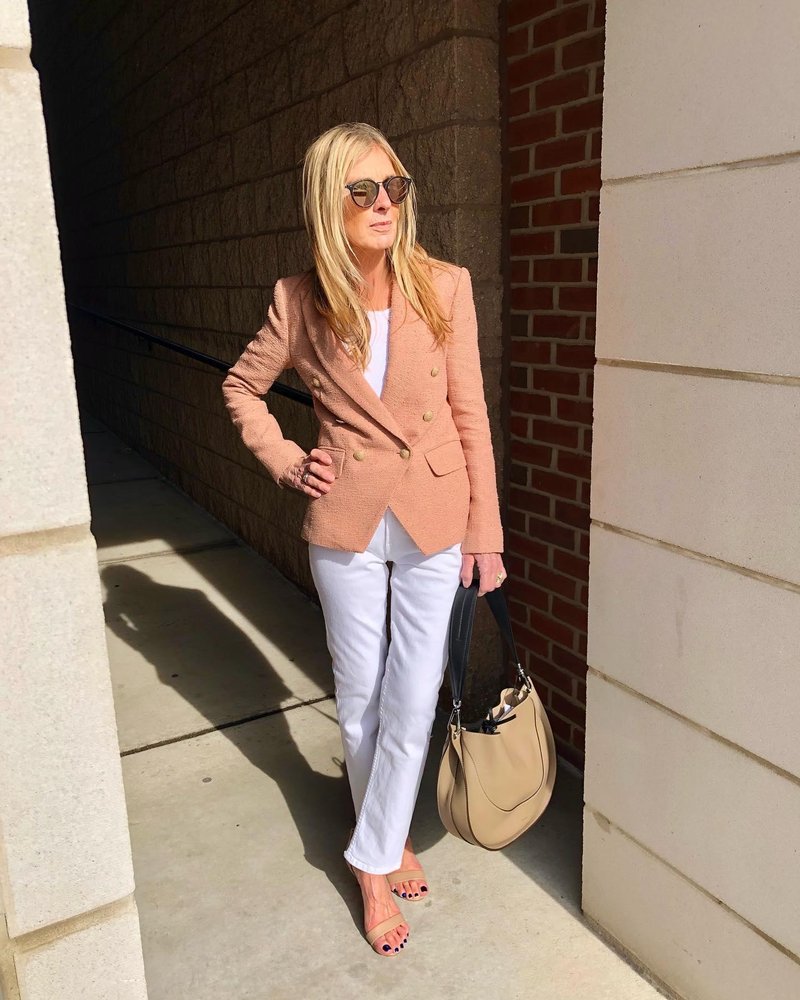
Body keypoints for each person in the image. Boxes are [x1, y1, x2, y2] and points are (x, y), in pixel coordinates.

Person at [221, 122, 506, 956]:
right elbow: (241, 387)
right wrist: (285, 459)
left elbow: (470, 414)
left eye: (395, 187)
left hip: (434, 514)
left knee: (413, 696)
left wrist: (486, 530)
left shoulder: (444, 286)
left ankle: (370, 853)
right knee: (360, 698)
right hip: (346, 520)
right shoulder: (298, 300)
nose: (385, 203)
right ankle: (385, 852)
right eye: (363, 190)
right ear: (328, 201)